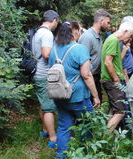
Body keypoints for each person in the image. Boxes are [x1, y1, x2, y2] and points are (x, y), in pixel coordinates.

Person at [48, 20, 100, 158]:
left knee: (64, 127)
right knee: (86, 125)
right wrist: (95, 96)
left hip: (60, 96)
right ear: (75, 31)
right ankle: (85, 152)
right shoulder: (79, 49)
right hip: (78, 97)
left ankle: (61, 155)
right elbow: (87, 75)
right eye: (80, 30)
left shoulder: (53, 49)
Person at [101, 22, 133, 132]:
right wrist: (116, 79)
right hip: (112, 81)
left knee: (113, 109)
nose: (130, 39)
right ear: (125, 31)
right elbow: (108, 62)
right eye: (130, 35)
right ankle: (104, 139)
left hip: (110, 80)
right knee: (120, 113)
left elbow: (114, 61)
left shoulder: (112, 39)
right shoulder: (113, 40)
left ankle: (106, 136)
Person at [31, 10, 59, 147]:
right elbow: (46, 54)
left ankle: (44, 130)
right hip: (44, 74)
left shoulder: (38, 32)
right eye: (56, 22)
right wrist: (58, 59)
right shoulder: (47, 33)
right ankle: (53, 139)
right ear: (54, 20)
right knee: (49, 108)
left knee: (43, 103)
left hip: (37, 73)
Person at [78, 9, 111, 102]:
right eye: (107, 22)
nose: (109, 26)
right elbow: (81, 60)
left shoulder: (99, 36)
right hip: (87, 78)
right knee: (89, 106)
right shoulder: (87, 37)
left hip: (95, 77)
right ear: (101, 21)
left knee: (97, 103)